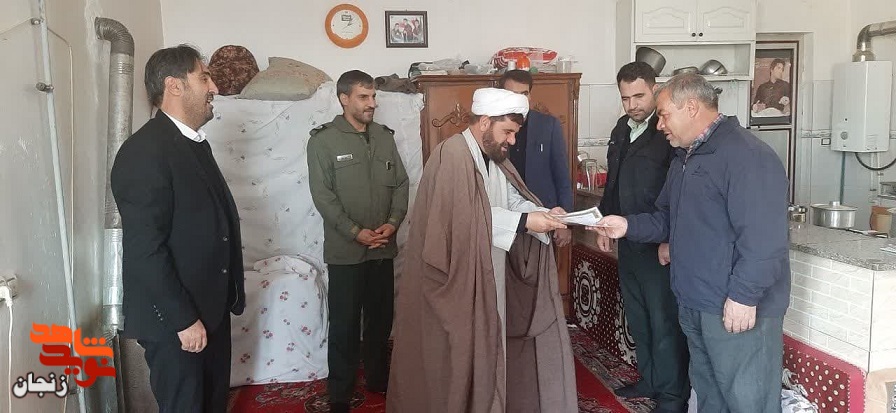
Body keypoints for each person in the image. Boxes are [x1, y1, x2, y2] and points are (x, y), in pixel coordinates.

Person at [589, 73, 790, 413]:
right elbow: (667, 219)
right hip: (696, 300)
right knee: (710, 396)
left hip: (734, 306)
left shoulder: (747, 155)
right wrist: (626, 225)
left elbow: (764, 239)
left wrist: (744, 296)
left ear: (692, 108)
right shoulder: (686, 157)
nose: (659, 125)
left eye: (664, 115)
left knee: (747, 400)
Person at [387, 87, 577, 413]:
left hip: (490, 269)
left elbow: (509, 199)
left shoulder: (493, 156)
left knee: (490, 344)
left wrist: (542, 212)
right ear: (485, 122)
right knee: (461, 354)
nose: (512, 141)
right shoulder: (453, 156)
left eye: (515, 134)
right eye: (508, 132)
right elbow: (463, 218)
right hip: (458, 279)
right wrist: (524, 222)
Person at [111, 44, 246, 412]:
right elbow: (145, 250)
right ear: (174, 85)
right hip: (178, 323)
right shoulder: (144, 151)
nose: (214, 87)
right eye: (204, 78)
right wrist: (184, 320)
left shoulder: (192, 145)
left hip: (208, 312)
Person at [306, 70, 409, 413]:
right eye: (364, 97)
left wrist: (392, 223)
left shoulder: (383, 136)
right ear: (344, 99)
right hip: (346, 251)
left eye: (374, 96)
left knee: (380, 320)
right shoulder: (323, 141)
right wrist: (355, 232)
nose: (372, 103)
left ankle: (379, 380)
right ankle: (340, 392)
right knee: (345, 324)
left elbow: (401, 183)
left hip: (382, 247)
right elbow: (323, 197)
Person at [597, 62, 689, 413]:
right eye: (625, 98)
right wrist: (603, 223)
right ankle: (650, 379)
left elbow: (680, 191)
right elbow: (614, 182)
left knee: (664, 320)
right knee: (639, 316)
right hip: (627, 238)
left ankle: (672, 396)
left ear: (654, 89)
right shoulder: (622, 128)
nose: (632, 105)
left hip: (657, 242)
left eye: (639, 96)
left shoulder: (667, 131)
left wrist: (671, 238)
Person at [499, 69, 573, 248]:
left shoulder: (548, 125)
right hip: (504, 219)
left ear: (530, 96)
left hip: (544, 218)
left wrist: (565, 223)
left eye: (524, 94)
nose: (519, 100)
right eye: (513, 95)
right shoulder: (494, 126)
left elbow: (562, 176)